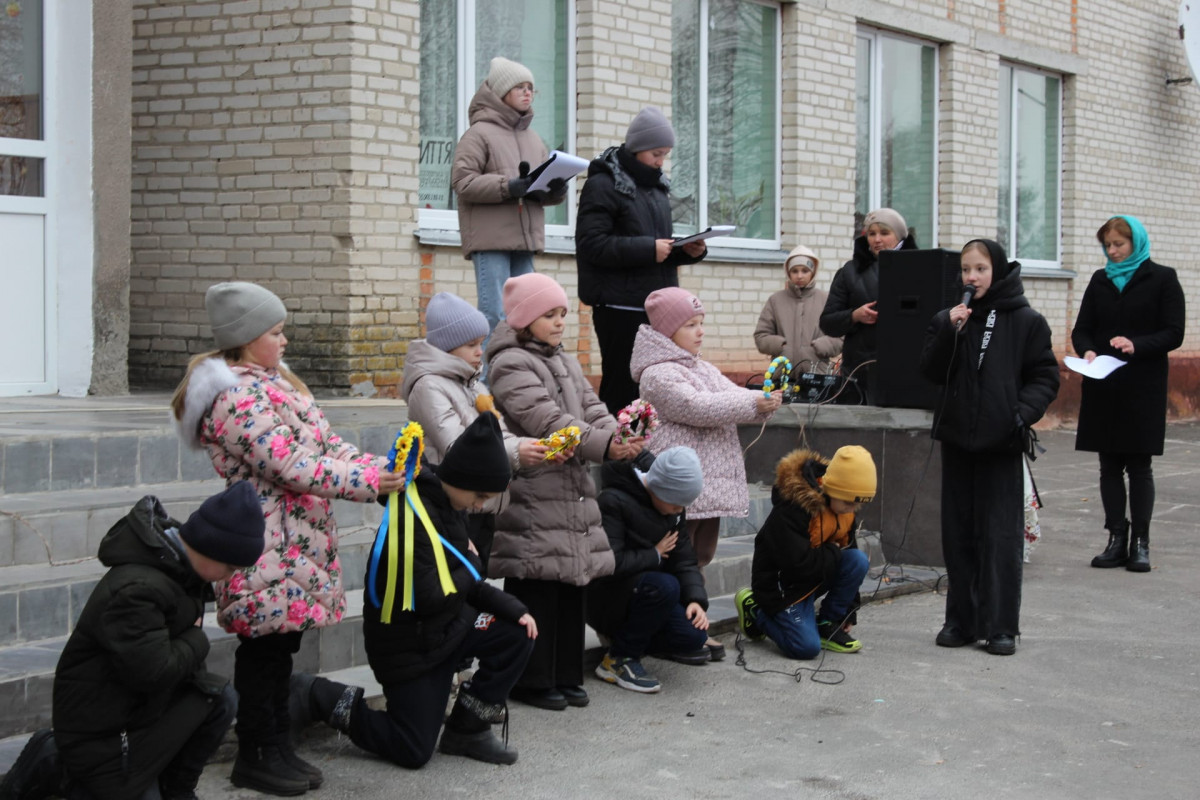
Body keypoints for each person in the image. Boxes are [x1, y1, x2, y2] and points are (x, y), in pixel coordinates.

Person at [171, 281, 404, 795]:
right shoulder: (235, 397)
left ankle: (278, 745)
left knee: (283, 649)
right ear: (246, 336)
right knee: (264, 654)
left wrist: (379, 467)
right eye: (275, 333)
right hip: (264, 544)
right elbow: (289, 464)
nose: (284, 342)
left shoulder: (277, 384)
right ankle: (256, 752)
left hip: (297, 541)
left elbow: (327, 445)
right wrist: (368, 483)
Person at [291, 413, 538, 768]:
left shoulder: (451, 506)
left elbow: (463, 579)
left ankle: (466, 730)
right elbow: (429, 595)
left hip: (448, 629)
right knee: (411, 750)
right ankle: (318, 696)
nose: (480, 506)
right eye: (480, 495)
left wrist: (513, 607)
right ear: (461, 478)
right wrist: (471, 565)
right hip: (412, 648)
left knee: (518, 631)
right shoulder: (414, 516)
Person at [0, 484, 265, 800]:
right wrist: (197, 638)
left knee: (219, 698)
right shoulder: (138, 589)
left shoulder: (180, 572)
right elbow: (153, 673)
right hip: (100, 735)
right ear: (213, 548)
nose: (230, 577)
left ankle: (176, 790)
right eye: (231, 567)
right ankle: (56, 764)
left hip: (137, 713)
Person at [485, 273, 644, 711]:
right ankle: (531, 679)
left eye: (562, 315)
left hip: (570, 488)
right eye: (549, 315)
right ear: (524, 319)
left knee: (573, 584)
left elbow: (591, 407)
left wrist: (619, 434)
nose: (559, 323)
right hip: (536, 489)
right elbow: (546, 419)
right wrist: (603, 444)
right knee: (537, 582)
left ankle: (566, 673)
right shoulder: (509, 364)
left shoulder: (563, 359)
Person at [919, 239, 1060, 656]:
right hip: (959, 439)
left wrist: (1020, 413)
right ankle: (961, 621)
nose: (971, 277)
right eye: (965, 269)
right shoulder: (950, 318)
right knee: (959, 533)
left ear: (996, 270)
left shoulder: (1027, 320)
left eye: (980, 269)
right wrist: (948, 329)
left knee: (999, 536)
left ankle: (1001, 627)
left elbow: (1045, 376)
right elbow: (928, 371)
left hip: (1001, 442)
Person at [631, 287, 779, 660]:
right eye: (690, 325)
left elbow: (728, 395)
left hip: (707, 485)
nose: (700, 331)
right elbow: (697, 406)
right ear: (666, 331)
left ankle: (691, 625)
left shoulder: (700, 366)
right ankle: (674, 630)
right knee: (679, 559)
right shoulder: (658, 374)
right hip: (679, 488)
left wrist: (763, 398)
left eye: (702, 324)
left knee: (700, 556)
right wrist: (752, 402)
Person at [401, 291, 558, 567]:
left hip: (482, 503)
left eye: (481, 343)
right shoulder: (428, 386)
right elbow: (457, 446)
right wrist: (515, 451)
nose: (479, 351)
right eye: (471, 345)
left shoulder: (471, 383)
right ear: (447, 347)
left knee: (477, 574)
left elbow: (498, 431)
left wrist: (523, 448)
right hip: (452, 502)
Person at [575, 105, 709, 413]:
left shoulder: (657, 188)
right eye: (656, 154)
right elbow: (592, 245)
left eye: (665, 155)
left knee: (654, 386)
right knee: (623, 384)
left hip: (657, 307)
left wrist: (688, 252)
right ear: (637, 149)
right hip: (619, 307)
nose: (661, 162)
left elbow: (658, 249)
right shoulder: (603, 184)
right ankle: (616, 456)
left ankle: (646, 454)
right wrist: (649, 248)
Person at [1072, 215, 1186, 572]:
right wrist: (1087, 350)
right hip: (1104, 385)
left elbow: (1173, 332)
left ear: (1135, 242)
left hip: (1142, 385)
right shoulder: (1099, 279)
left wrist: (1137, 345)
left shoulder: (1162, 279)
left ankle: (1141, 543)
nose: (1113, 251)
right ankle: (1116, 539)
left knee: (1139, 465)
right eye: (1108, 245)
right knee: (1108, 464)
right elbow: (1082, 329)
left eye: (1119, 244)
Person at [451, 56, 567, 344]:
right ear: (500, 92)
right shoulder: (478, 134)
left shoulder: (535, 140)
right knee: (495, 316)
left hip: (524, 242)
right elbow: (463, 182)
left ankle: (516, 380)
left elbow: (534, 187)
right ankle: (487, 385)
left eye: (531, 87)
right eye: (520, 87)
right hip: (490, 242)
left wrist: (554, 191)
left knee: (527, 317)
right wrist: (508, 187)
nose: (528, 92)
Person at [734, 446, 876, 659]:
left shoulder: (845, 510)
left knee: (857, 560)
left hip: (814, 576)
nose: (851, 509)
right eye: (848, 502)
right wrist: (833, 552)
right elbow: (798, 566)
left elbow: (848, 554)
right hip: (783, 588)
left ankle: (828, 622)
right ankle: (757, 611)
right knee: (805, 647)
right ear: (832, 489)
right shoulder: (795, 507)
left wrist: (848, 611)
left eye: (857, 504)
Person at [588, 447, 710, 693]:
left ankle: (633, 640)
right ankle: (618, 659)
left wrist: (695, 600)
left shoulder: (672, 510)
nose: (679, 511)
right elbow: (609, 563)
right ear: (658, 489)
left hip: (645, 595)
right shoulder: (612, 501)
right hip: (607, 597)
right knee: (665, 586)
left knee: (693, 637)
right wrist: (654, 554)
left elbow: (684, 559)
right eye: (676, 505)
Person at [819, 208, 918, 403]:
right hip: (858, 370)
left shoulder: (919, 268)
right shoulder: (849, 272)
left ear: (900, 236)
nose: (877, 239)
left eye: (884, 233)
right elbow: (827, 322)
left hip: (905, 367)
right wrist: (854, 316)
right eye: (871, 234)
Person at [754, 244, 843, 375]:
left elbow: (840, 337)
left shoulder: (826, 300)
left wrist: (821, 346)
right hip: (782, 376)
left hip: (817, 374)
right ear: (788, 272)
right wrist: (781, 345)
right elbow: (761, 336)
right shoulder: (775, 300)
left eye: (805, 270)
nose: (799, 276)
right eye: (795, 271)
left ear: (813, 272)